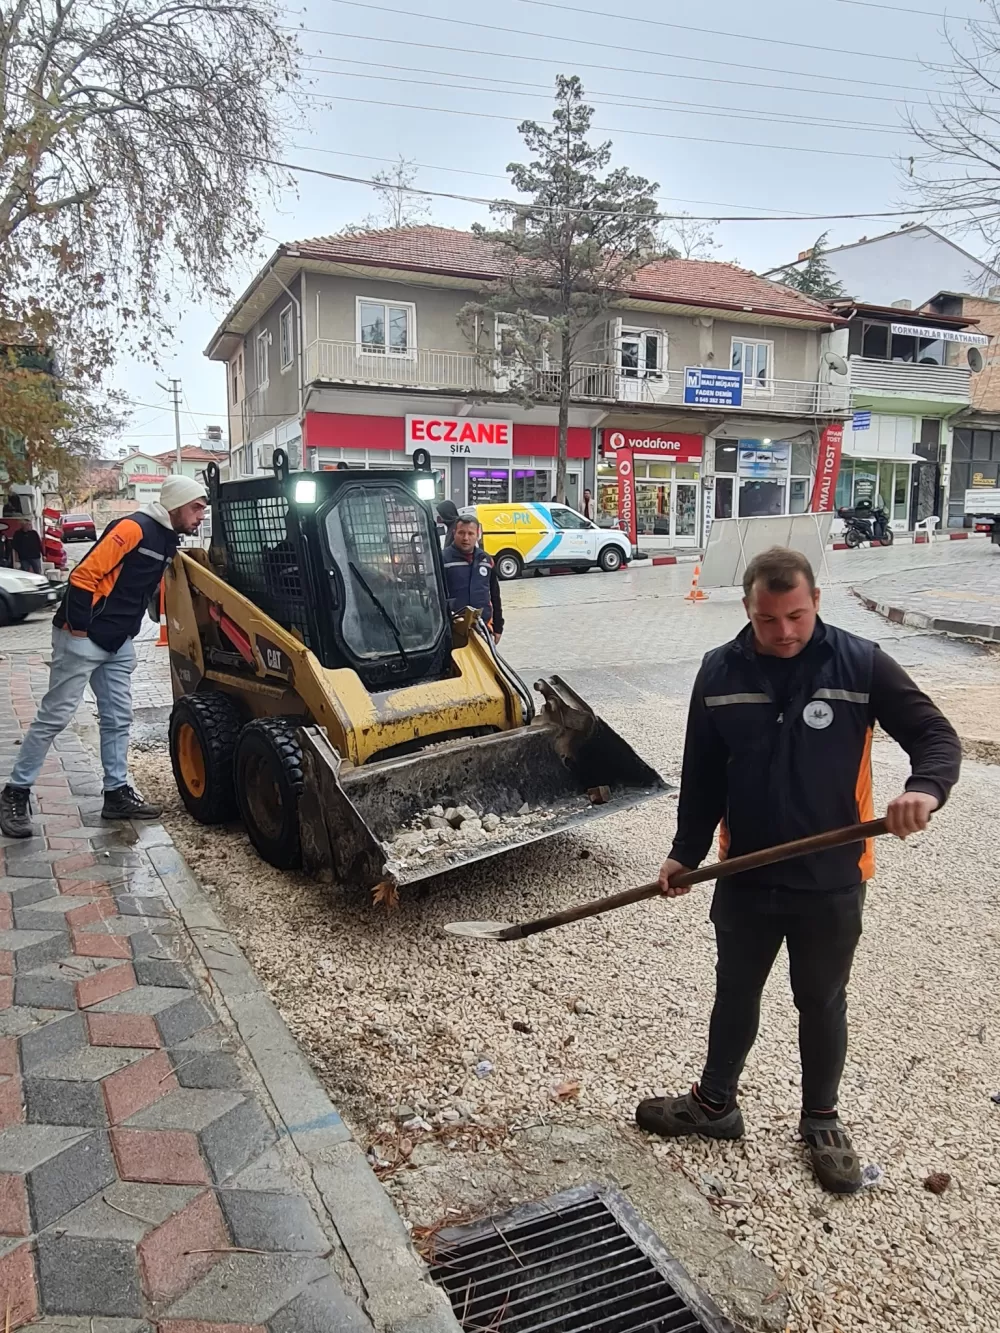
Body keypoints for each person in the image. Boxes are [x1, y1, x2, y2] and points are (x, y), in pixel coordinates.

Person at [637, 546, 960, 1194]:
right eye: (768, 619)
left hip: (833, 878)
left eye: (797, 616)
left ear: (816, 600)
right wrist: (686, 851)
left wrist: (924, 788)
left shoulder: (859, 663)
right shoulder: (718, 671)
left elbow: (935, 736)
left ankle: (821, 1120)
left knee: (821, 1000)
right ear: (749, 609)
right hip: (747, 874)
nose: (783, 632)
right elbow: (702, 774)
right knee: (734, 993)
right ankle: (714, 1104)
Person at [0, 476, 209, 838]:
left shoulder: (166, 539)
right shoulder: (133, 527)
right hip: (83, 638)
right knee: (54, 717)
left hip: (117, 643)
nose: (201, 516)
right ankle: (14, 794)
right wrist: (79, 630)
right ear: (175, 505)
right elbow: (84, 575)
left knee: (117, 718)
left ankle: (116, 793)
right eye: (196, 507)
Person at [441, 510, 504, 643]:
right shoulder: (442, 560)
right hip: (454, 630)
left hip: (483, 628)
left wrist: (498, 627)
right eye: (461, 533)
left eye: (470, 533)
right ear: (454, 533)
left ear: (477, 535)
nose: (466, 538)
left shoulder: (486, 560)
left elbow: (495, 595)